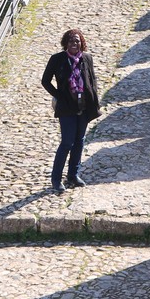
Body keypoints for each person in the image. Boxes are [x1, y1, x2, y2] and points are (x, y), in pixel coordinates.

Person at [41, 28, 101, 194]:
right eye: (71, 41)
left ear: (81, 43)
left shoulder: (87, 58)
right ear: (65, 43)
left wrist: (94, 101)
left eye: (77, 41)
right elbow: (45, 81)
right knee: (67, 142)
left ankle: (73, 175)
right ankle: (56, 178)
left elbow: (92, 79)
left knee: (79, 141)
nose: (74, 44)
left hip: (83, 106)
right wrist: (59, 96)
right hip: (67, 107)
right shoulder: (57, 59)